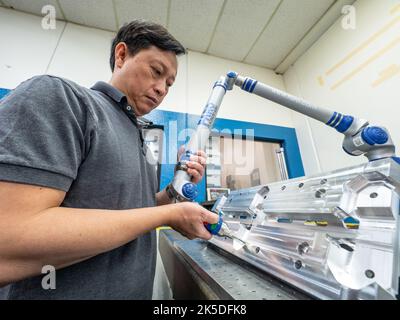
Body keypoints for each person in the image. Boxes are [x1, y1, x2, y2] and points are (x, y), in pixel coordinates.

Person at [0, 20, 218, 299]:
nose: (162, 88)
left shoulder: (141, 142)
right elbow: (9, 241)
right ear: (122, 55)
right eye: (156, 71)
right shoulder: (62, 99)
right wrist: (167, 214)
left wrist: (173, 189)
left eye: (169, 83)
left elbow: (139, 208)